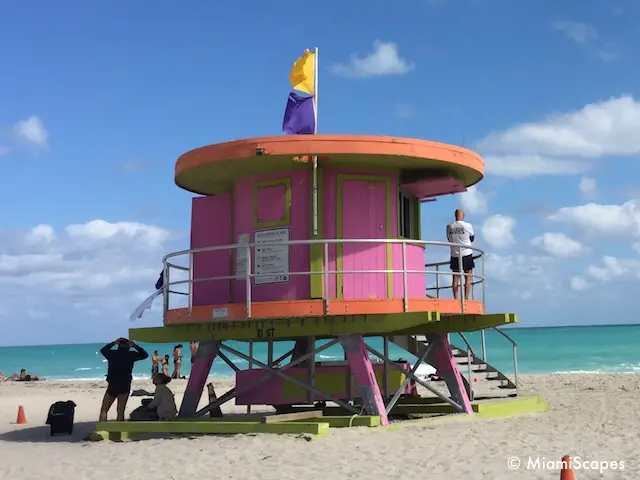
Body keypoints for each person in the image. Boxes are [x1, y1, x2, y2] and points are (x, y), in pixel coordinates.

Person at [99, 338, 149, 422]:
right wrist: (135, 346)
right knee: (120, 410)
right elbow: (144, 355)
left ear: (118, 345)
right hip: (125, 384)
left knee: (104, 409)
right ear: (128, 346)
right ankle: (118, 431)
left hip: (113, 383)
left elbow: (103, 350)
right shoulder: (131, 354)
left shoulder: (112, 353)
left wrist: (113, 343)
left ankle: (102, 428)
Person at [446, 208, 475, 300]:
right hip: (466, 253)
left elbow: (449, 238)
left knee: (455, 278)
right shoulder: (468, 226)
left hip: (455, 254)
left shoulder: (449, 226)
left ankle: (456, 298)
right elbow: (472, 238)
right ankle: (466, 298)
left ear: (455, 216)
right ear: (462, 216)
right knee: (468, 277)